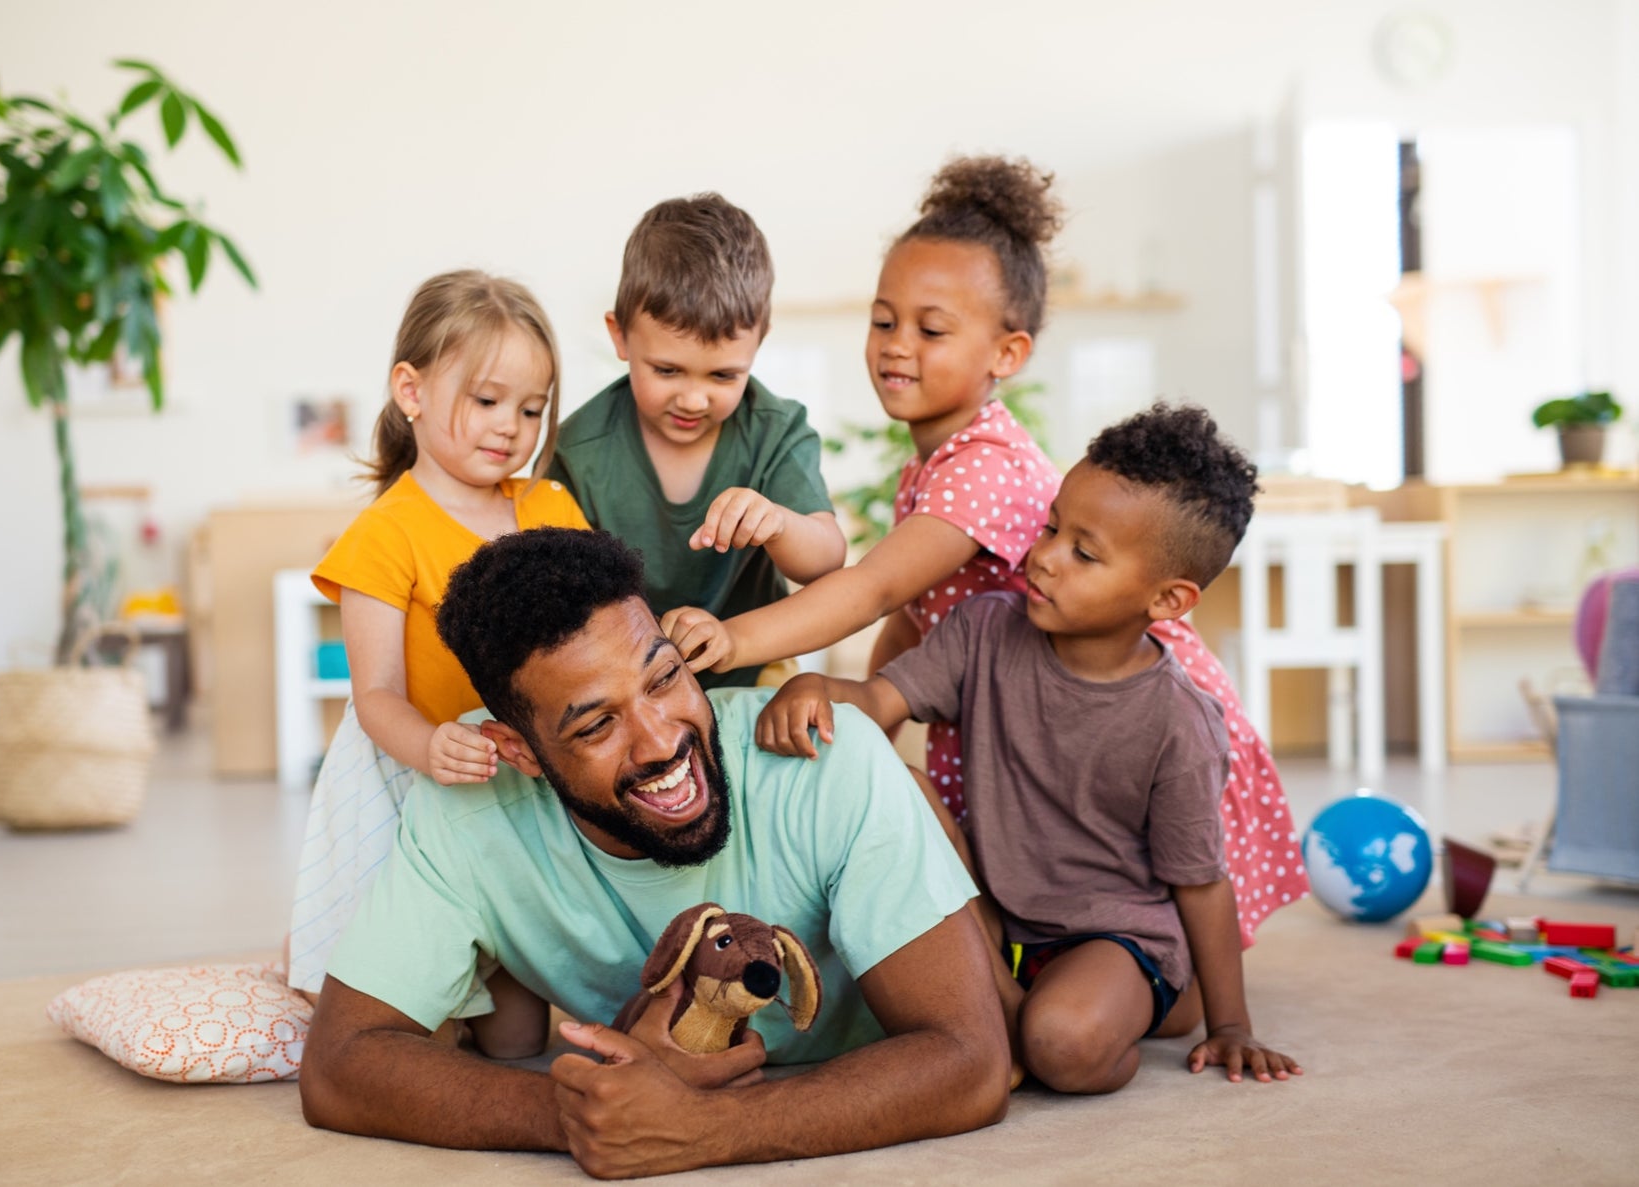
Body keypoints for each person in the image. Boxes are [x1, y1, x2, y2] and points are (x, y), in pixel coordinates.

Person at [661, 155, 1308, 942]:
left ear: (1007, 354)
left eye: (931, 329)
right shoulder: (936, 462)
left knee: (1146, 912)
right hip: (1028, 705)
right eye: (883, 320)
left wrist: (734, 638)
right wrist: (868, 732)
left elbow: (871, 589)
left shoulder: (984, 468)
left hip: (1113, 714)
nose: (897, 345)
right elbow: (909, 619)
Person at [298, 528, 1009, 1179]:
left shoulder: (827, 757)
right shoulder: (469, 809)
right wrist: (580, 1111)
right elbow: (339, 1063)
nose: (661, 741)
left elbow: (971, 1060)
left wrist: (706, 1127)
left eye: (664, 678)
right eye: (597, 724)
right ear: (519, 750)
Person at [758, 404, 1303, 1093]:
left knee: (1063, 1045)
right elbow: (878, 700)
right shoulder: (984, 629)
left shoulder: (1181, 722)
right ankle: (1016, 1003)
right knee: (906, 788)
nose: (1042, 557)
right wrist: (815, 687)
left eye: (1084, 553)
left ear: (1168, 599)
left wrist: (1231, 1024)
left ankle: (1150, 999)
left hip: (1113, 934)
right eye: (1051, 526)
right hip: (997, 914)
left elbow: (1199, 881)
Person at [287, 272, 590, 1007]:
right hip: (416, 777)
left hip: (523, 782)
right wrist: (430, 746)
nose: (510, 426)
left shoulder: (550, 506)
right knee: (412, 1012)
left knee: (516, 1034)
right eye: (486, 401)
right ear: (411, 391)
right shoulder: (385, 533)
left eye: (531, 408)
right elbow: (376, 696)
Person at [548, 193, 846, 689]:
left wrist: (778, 524)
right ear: (620, 336)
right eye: (667, 370)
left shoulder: (774, 430)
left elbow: (826, 559)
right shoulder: (578, 451)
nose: (692, 399)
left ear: (759, 341)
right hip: (625, 683)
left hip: (753, 673)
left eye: (723, 376)